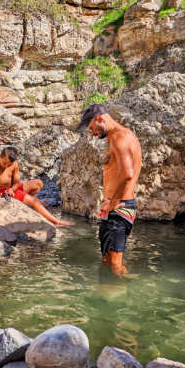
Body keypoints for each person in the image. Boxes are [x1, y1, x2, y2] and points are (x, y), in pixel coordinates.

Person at [75, 103, 142, 275]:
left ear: (99, 119)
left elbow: (128, 174)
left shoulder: (120, 137)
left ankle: (122, 297)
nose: (92, 133)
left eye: (91, 128)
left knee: (115, 264)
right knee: (107, 259)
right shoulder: (113, 138)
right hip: (111, 207)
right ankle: (110, 294)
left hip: (119, 207)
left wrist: (113, 203)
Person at [0, 146, 74, 227]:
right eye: (4, 163)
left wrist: (12, 188)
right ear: (0, 156)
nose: (6, 166)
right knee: (35, 201)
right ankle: (56, 222)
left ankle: (22, 202)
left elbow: (16, 182)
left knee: (39, 183)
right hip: (4, 191)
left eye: (9, 165)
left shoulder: (15, 164)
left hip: (13, 188)